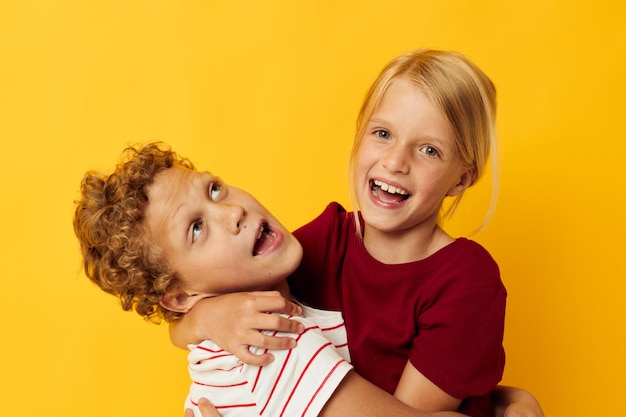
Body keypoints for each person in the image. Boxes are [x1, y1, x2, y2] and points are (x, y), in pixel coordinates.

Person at [170, 49, 543, 417]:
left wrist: (500, 401)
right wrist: (212, 317)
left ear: (461, 178)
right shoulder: (326, 240)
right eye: (382, 133)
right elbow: (185, 319)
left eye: (429, 150)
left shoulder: (466, 283)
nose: (395, 162)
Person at [73, 142, 471, 417]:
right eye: (196, 229)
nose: (231, 212)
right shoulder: (268, 343)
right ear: (179, 296)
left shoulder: (251, 322)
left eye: (213, 190)